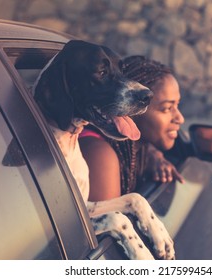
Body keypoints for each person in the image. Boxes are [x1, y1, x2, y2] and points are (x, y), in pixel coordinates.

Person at [79, 55, 185, 202]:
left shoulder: (139, 150)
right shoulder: (100, 154)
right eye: (167, 108)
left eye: (177, 105)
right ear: (132, 109)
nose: (180, 118)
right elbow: (108, 223)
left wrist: (153, 155)